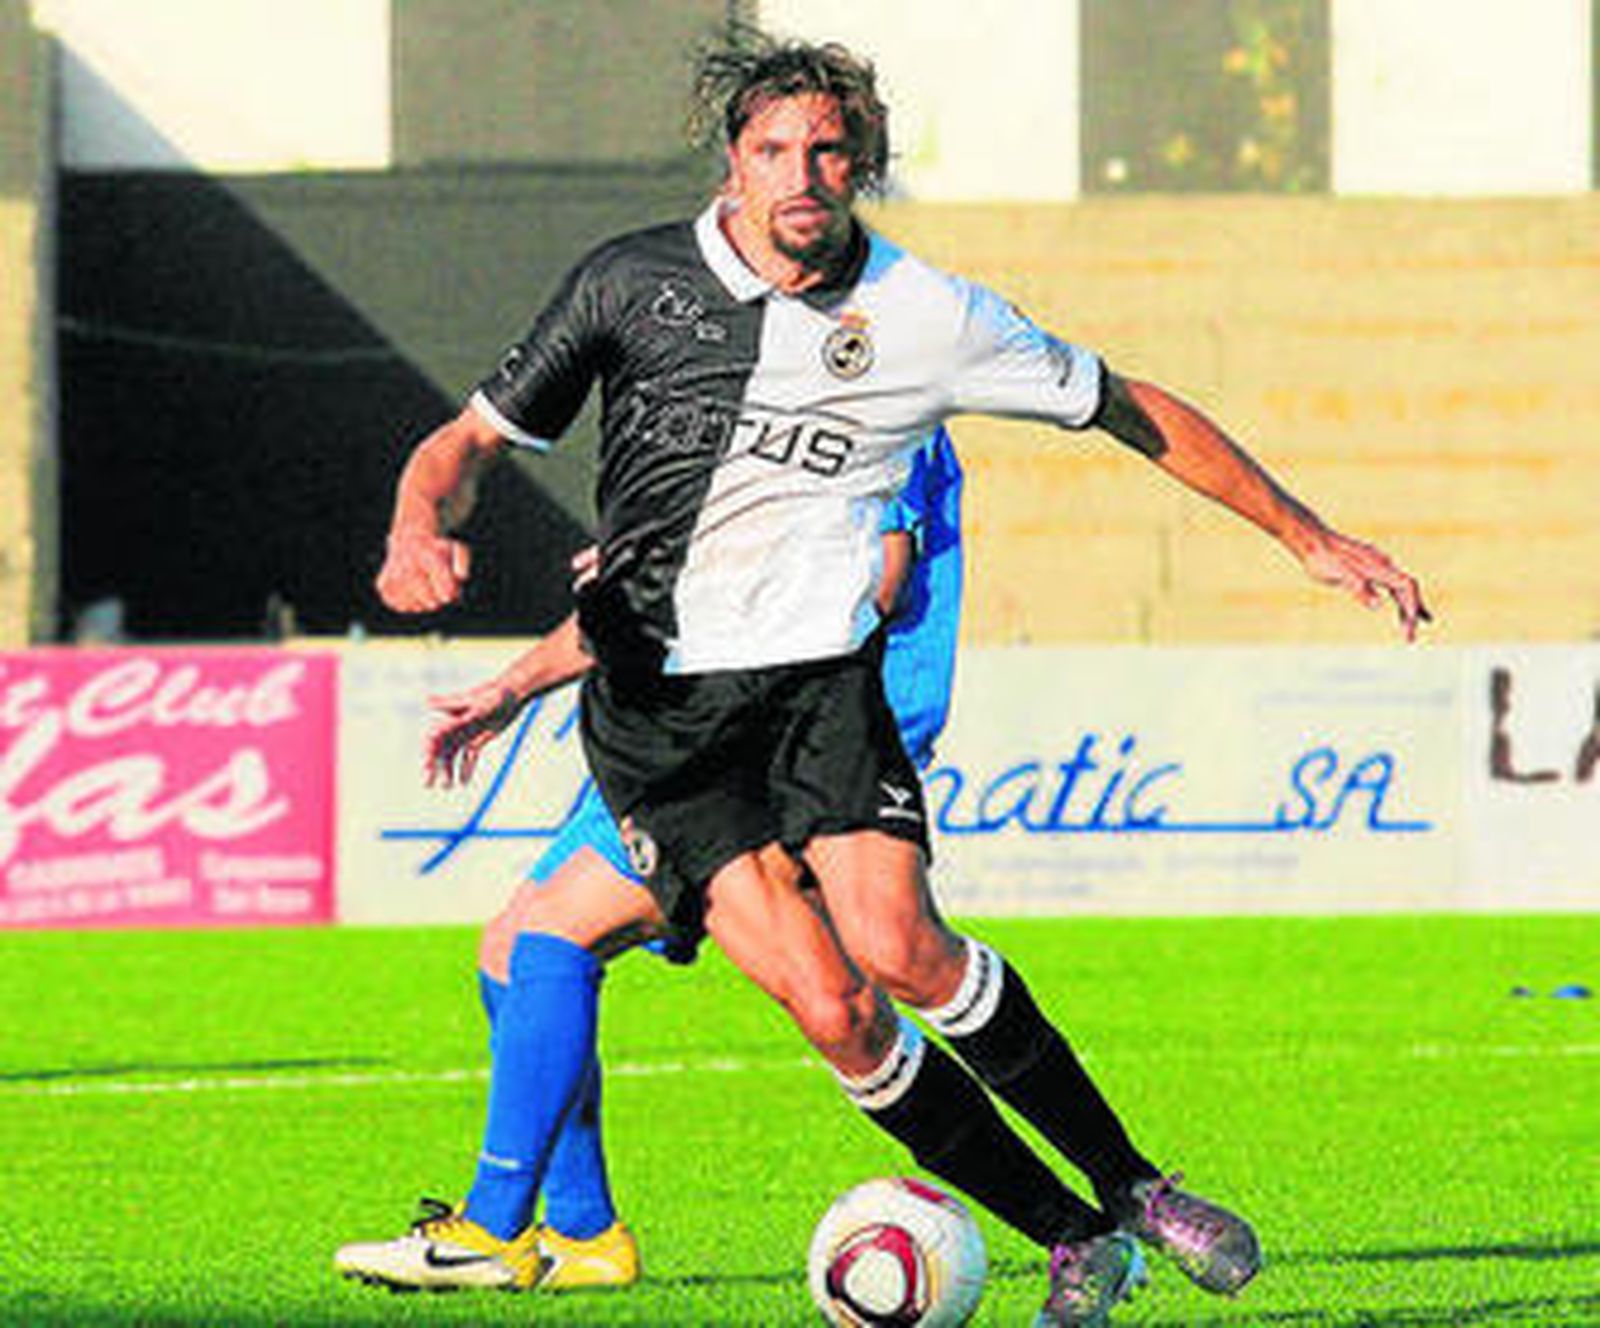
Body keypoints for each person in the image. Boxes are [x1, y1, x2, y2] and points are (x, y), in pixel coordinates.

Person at [343, 28, 1428, 1325]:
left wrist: (1307, 537)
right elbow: (461, 448)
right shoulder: (628, 285)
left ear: (861, 162)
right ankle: (1077, 1236)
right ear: (732, 164)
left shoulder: (928, 318)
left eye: (827, 149)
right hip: (657, 727)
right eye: (772, 150)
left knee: (901, 950)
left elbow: (1135, 409)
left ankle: (1134, 1185)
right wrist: (422, 530)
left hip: (815, 698)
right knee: (828, 1011)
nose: (800, 173)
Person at [337, 429, 963, 1295]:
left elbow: (876, 579)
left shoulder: (871, 401)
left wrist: (697, 567)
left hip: (795, 738)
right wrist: (516, 685)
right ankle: (582, 1233)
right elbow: (650, 587)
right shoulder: (738, 395)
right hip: (699, 720)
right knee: (513, 947)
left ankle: (493, 1226)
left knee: (824, 1006)